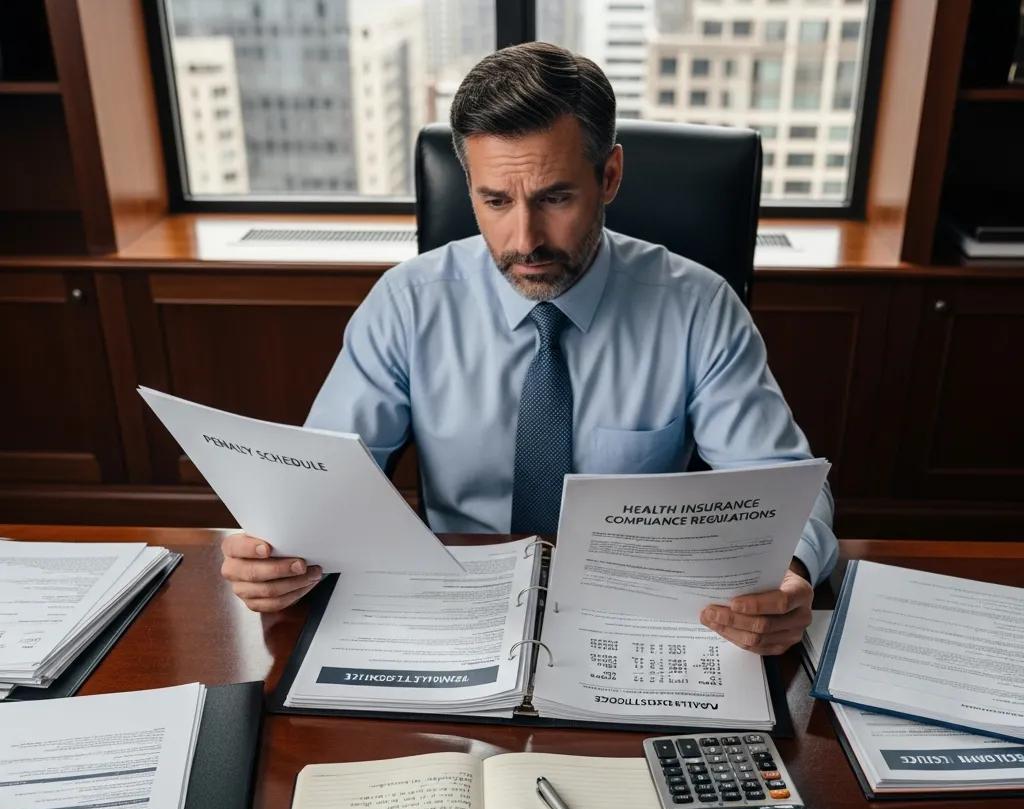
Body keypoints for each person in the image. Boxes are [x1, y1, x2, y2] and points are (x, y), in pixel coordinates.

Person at [221, 42, 837, 657]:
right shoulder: (407, 302)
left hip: (636, 614)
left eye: (555, 197)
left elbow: (787, 486)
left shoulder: (697, 306)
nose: (525, 240)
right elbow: (321, 480)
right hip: (453, 605)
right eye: (496, 201)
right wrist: (275, 553)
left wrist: (791, 571)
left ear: (609, 176)